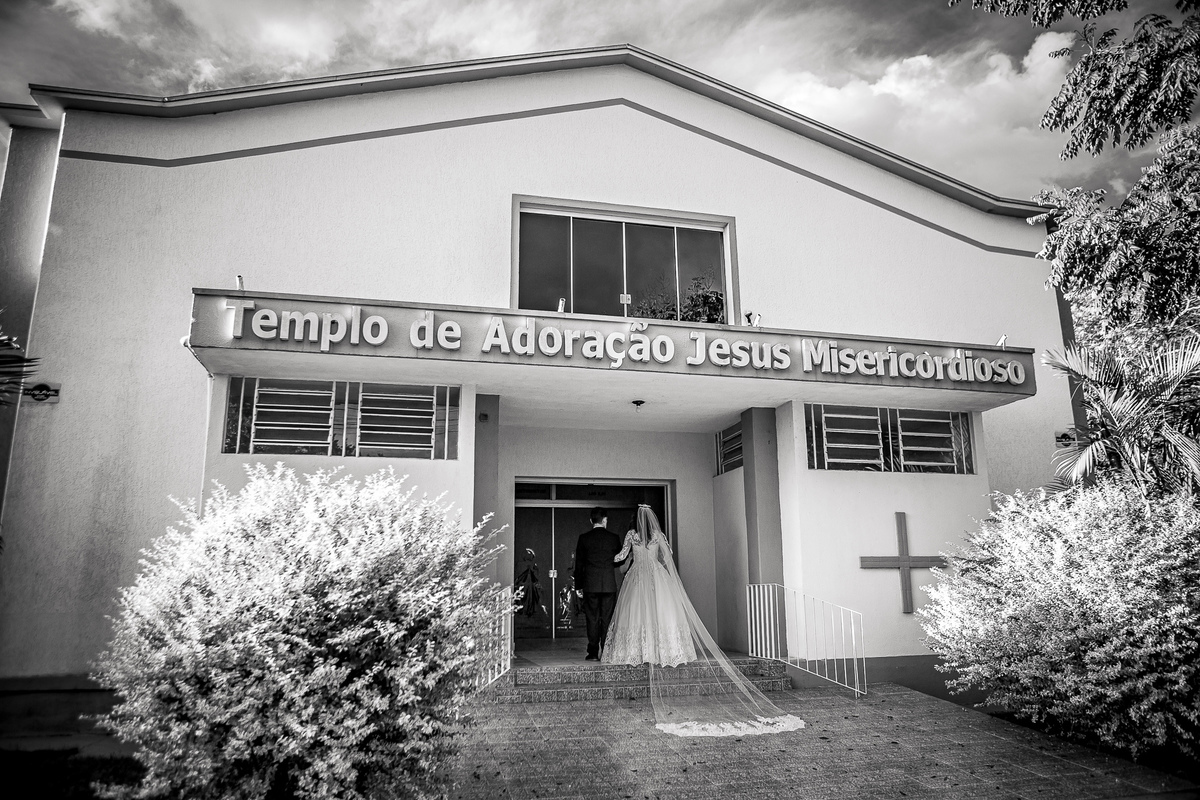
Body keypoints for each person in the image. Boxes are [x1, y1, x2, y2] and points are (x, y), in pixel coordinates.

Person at [602, 505, 806, 737]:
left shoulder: (632, 535)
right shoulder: (658, 535)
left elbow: (620, 556)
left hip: (637, 577)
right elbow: (668, 556)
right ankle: (665, 651)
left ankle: (639, 650)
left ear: (635, 520)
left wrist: (615, 557)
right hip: (657, 576)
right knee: (663, 613)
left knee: (636, 614)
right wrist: (657, 563)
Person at [572, 507, 624, 661]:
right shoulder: (613, 538)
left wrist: (578, 586)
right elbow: (619, 560)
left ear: (591, 520)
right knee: (607, 618)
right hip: (608, 584)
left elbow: (579, 564)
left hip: (590, 585)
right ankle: (606, 651)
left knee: (592, 618)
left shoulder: (584, 538)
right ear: (605, 520)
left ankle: (593, 652)